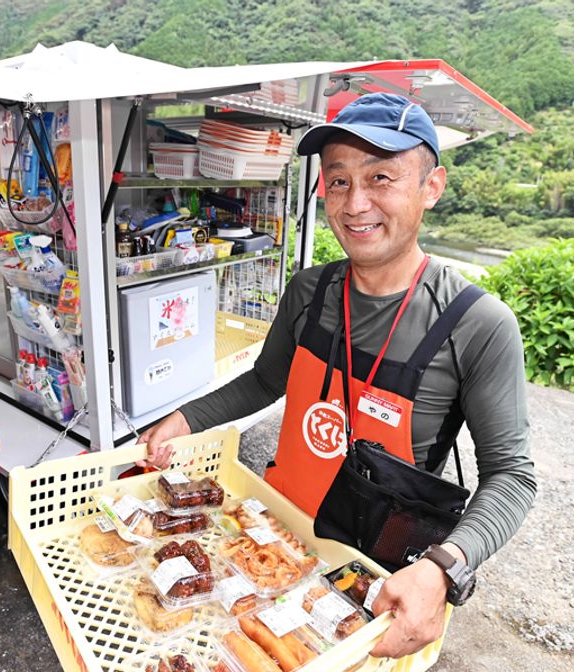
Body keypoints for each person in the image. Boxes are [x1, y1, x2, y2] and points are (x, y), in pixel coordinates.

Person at [139, 93, 537, 659]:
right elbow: (264, 380)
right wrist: (184, 418)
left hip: (375, 574)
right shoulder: (309, 292)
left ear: (432, 187)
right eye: (339, 181)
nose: (356, 203)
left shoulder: (476, 324)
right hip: (277, 540)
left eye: (381, 177)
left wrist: (442, 567)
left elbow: (513, 477)